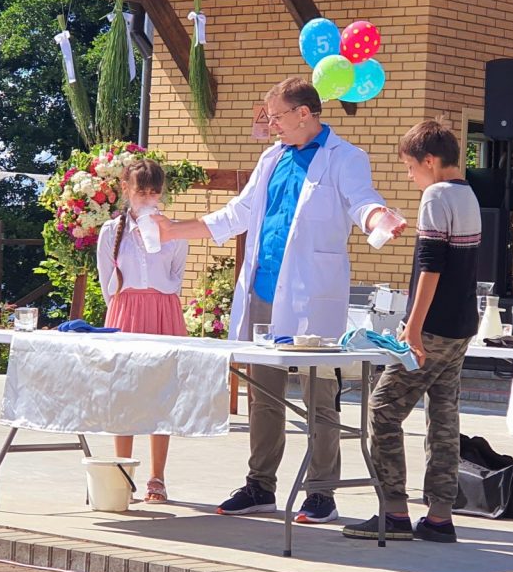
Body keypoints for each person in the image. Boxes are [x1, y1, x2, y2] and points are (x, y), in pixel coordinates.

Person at [152, 77, 402, 524]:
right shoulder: (271, 158)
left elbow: (362, 202)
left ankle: (321, 492)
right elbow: (238, 214)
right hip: (263, 292)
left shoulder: (346, 157)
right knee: (262, 394)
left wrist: (378, 218)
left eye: (276, 117)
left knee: (319, 394)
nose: (271, 126)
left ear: (304, 113)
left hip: (312, 297)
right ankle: (260, 485)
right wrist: (175, 230)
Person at [342, 120, 481, 543]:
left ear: (430, 161)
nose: (409, 177)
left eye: (409, 167)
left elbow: (431, 267)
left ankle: (395, 511)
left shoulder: (436, 196)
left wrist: (413, 327)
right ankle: (439, 516)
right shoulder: (468, 193)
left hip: (434, 325)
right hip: (461, 323)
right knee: (444, 417)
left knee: (383, 408)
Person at [96, 158, 189, 505]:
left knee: (161, 394)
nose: (148, 198)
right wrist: (124, 309)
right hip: (126, 313)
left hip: (164, 313)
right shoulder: (111, 232)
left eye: (154, 192)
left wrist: (157, 298)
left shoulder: (175, 232)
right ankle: (122, 474)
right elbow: (107, 282)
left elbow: (176, 277)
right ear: (126, 190)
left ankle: (157, 477)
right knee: (125, 395)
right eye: (141, 192)